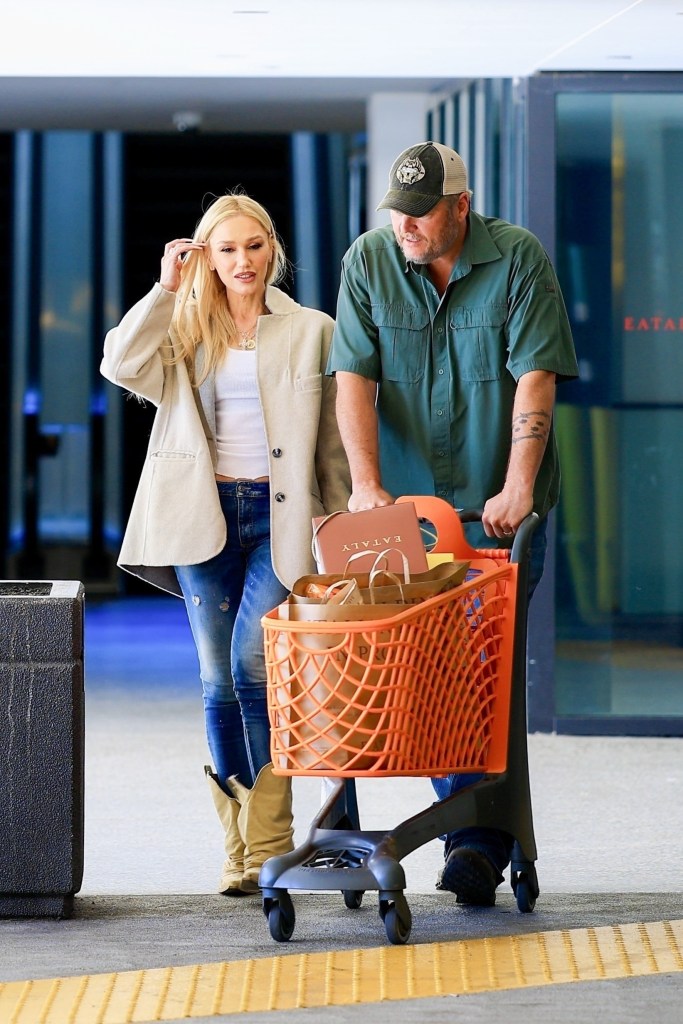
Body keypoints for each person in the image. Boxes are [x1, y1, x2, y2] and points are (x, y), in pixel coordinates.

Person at [327, 141, 579, 907]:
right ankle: (474, 833)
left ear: (460, 207)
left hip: (492, 514)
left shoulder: (516, 259)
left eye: (420, 212)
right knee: (416, 673)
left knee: (478, 673)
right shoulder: (369, 261)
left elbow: (534, 376)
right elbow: (353, 380)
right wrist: (365, 486)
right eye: (396, 212)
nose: (404, 226)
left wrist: (516, 487)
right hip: (407, 517)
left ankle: (475, 839)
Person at [101, 191, 351, 897]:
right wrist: (165, 289)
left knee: (251, 665)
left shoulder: (312, 329)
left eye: (254, 246)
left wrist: (337, 522)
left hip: (282, 518)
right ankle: (239, 849)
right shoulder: (183, 326)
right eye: (227, 249)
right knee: (216, 679)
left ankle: (268, 843)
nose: (243, 261)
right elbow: (120, 363)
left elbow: (331, 442)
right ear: (206, 258)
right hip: (201, 513)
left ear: (273, 249)